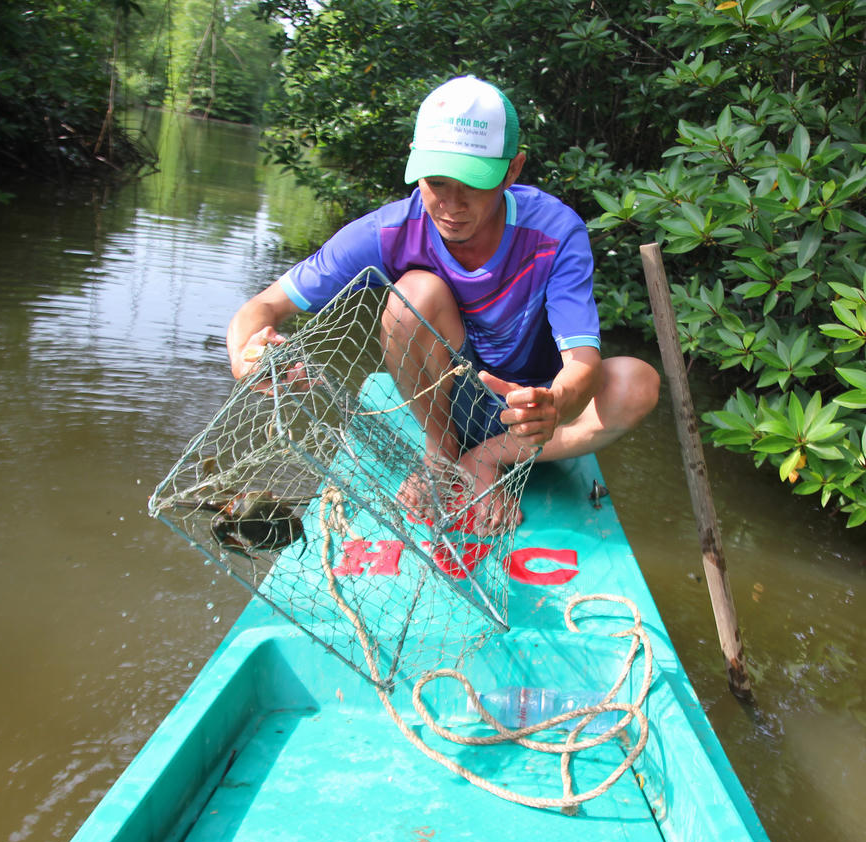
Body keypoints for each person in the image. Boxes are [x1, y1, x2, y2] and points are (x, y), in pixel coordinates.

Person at [226, 75, 659, 532]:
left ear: (512, 170)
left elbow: (584, 364)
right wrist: (247, 357)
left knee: (638, 382)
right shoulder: (391, 229)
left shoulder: (555, 232)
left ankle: (487, 459)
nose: (451, 204)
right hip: (450, 403)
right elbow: (261, 308)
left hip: (533, 418)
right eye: (436, 182)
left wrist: (554, 403)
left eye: (474, 183)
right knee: (413, 293)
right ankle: (442, 454)